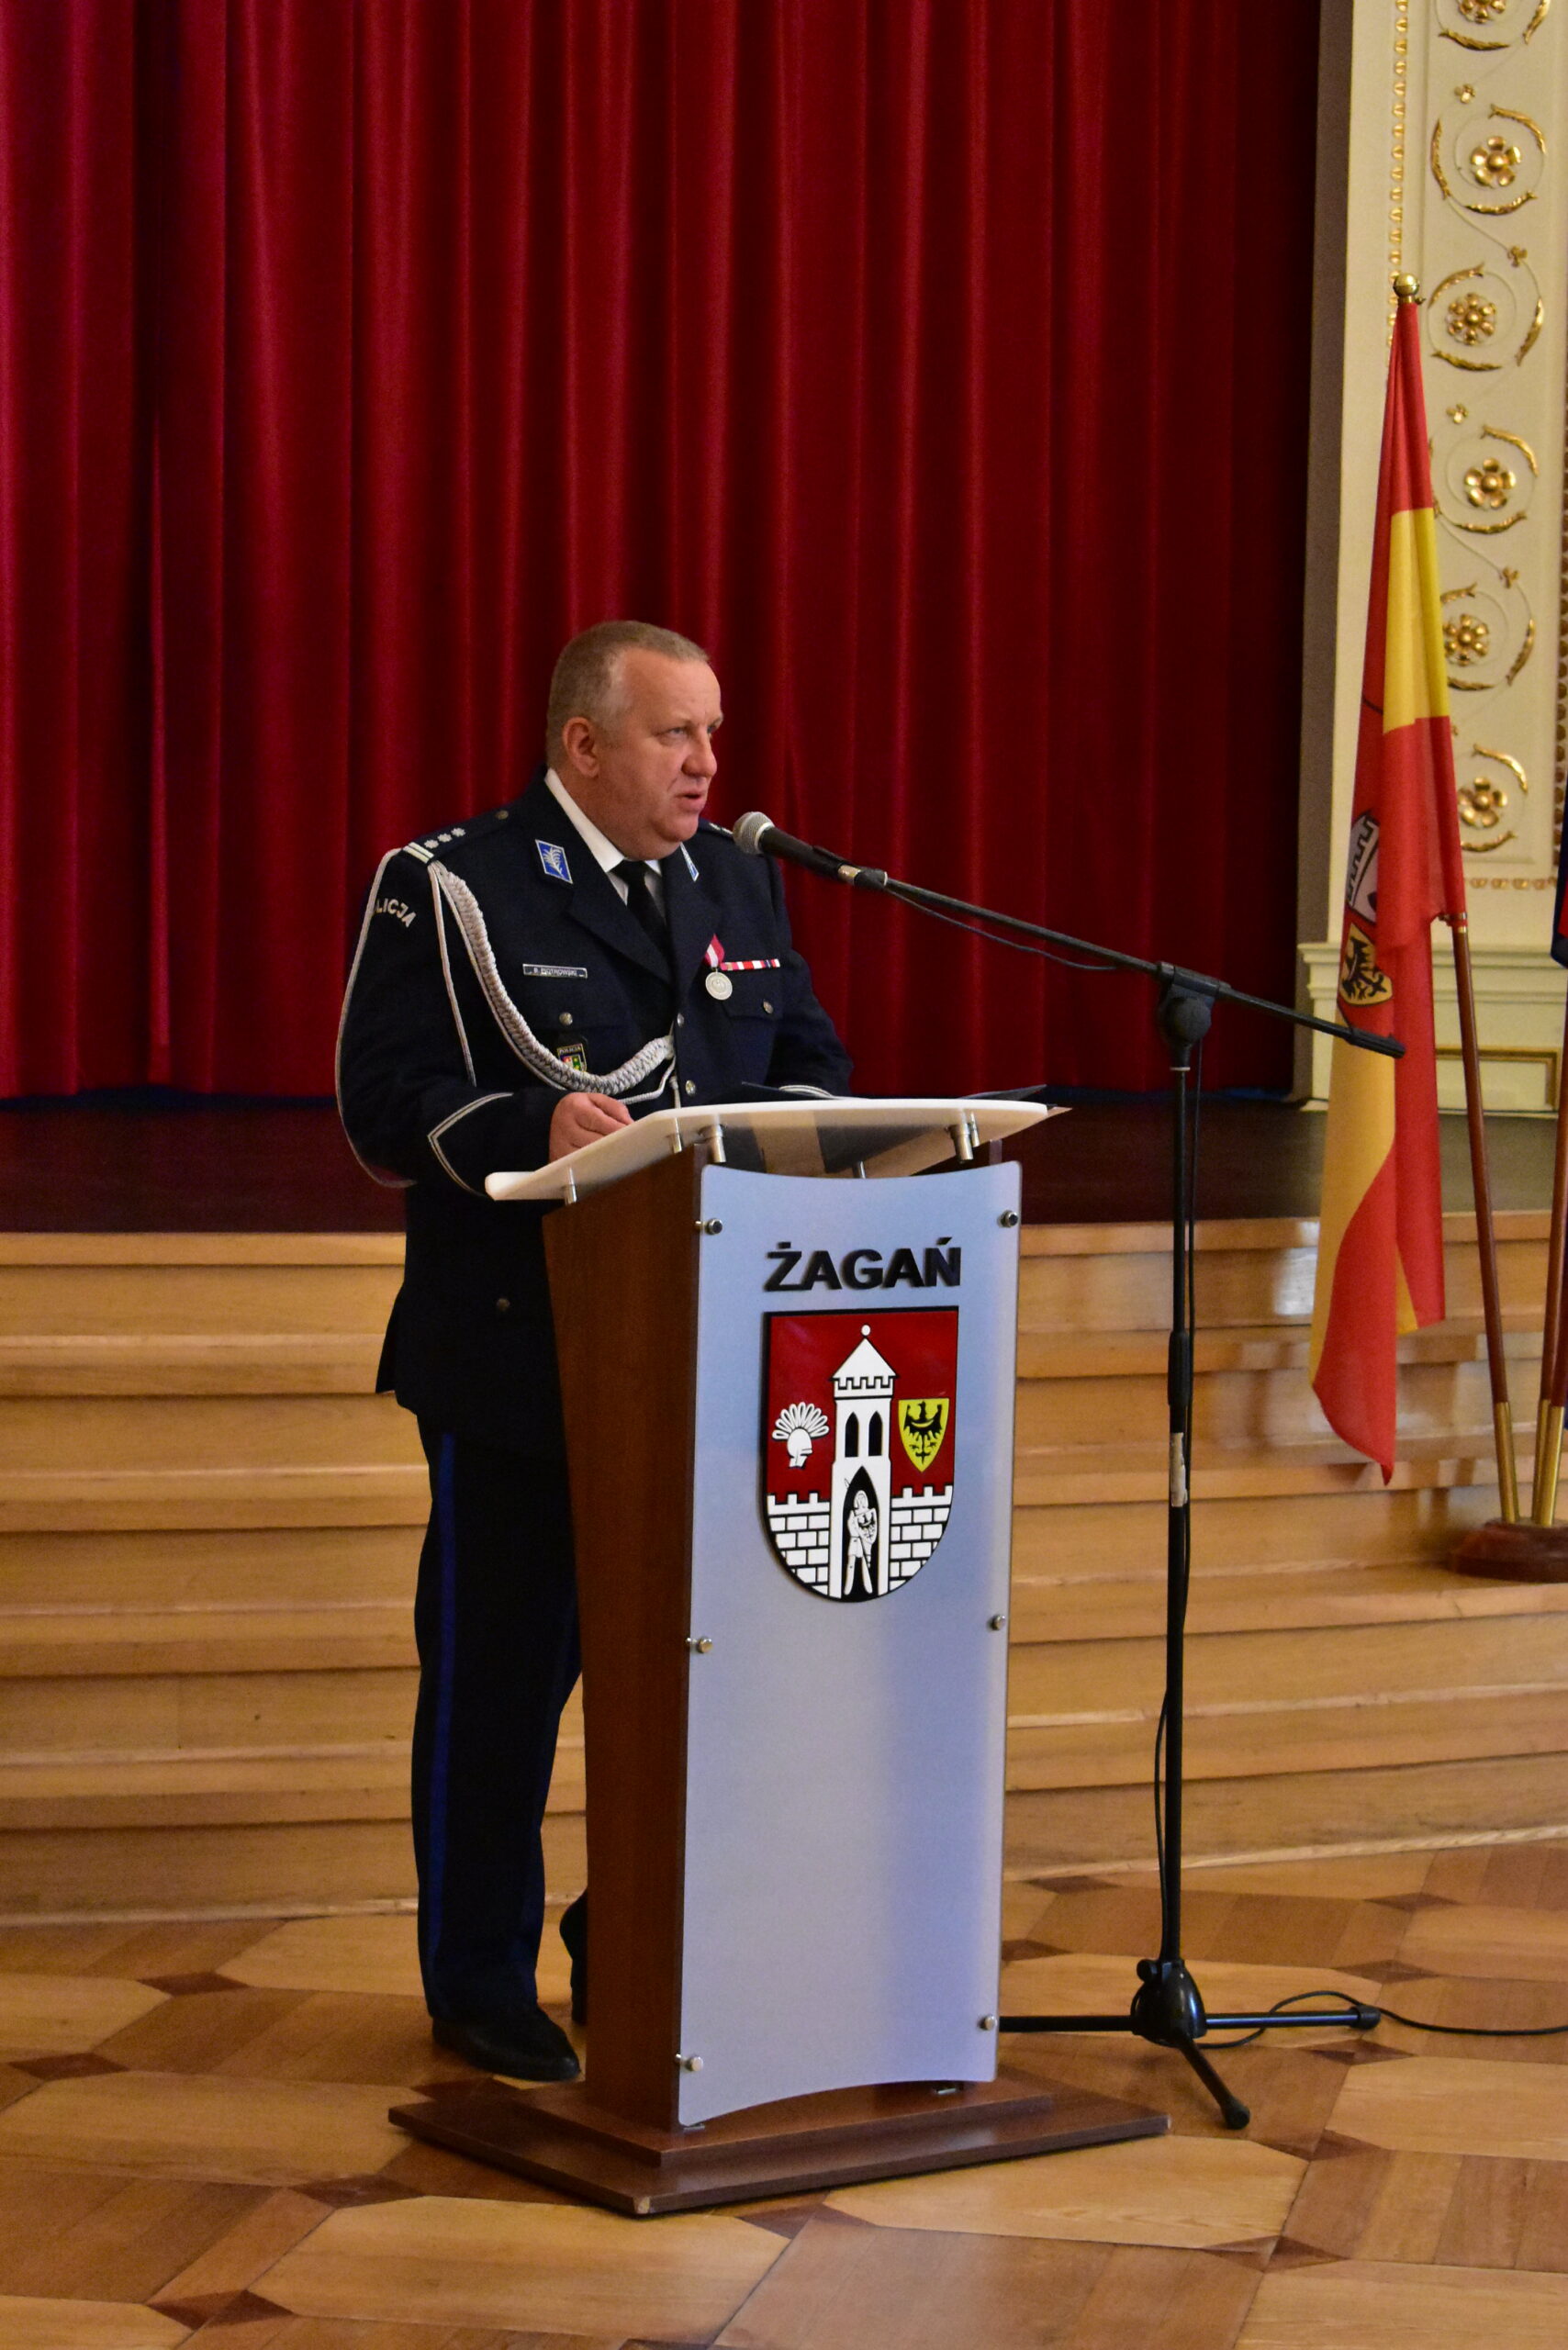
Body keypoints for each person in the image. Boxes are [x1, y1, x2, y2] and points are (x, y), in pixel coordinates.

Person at [336, 620, 851, 2081]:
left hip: (714, 1344)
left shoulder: (733, 879)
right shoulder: (454, 883)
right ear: (584, 744)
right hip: (525, 1354)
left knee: (700, 1679)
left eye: (713, 733)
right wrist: (532, 1124)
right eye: (676, 733)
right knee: (501, 1686)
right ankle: (478, 1977)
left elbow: (808, 1060)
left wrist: (803, 1137)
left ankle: (629, 1933)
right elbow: (383, 1102)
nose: (707, 764)